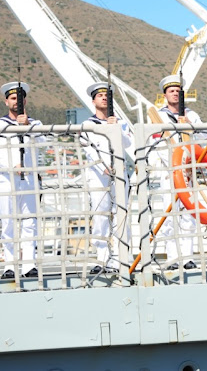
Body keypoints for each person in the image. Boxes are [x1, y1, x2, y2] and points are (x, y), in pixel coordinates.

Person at [0, 82, 44, 279]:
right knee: (9, 223)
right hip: (7, 179)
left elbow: (43, 141)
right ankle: (9, 266)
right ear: (6, 102)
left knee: (30, 222)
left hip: (29, 179)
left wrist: (26, 125)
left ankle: (29, 265)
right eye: (13, 99)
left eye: (20, 99)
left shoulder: (34, 124)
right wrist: (13, 166)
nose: (17, 102)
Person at [154, 74, 205, 270]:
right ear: (165, 95)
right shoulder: (158, 116)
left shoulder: (192, 115)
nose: (175, 94)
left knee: (189, 215)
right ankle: (173, 258)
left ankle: (188, 257)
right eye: (171, 91)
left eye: (178, 91)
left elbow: (201, 138)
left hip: (189, 171)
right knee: (170, 215)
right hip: (169, 171)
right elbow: (156, 144)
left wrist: (188, 126)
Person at [83, 82, 133, 274]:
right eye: (100, 95)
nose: (104, 98)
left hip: (119, 174)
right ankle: (101, 258)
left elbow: (127, 143)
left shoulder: (120, 122)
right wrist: (101, 165)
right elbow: (87, 149)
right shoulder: (88, 124)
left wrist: (115, 129)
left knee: (121, 216)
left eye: (107, 95)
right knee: (101, 216)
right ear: (94, 100)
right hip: (98, 176)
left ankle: (121, 258)